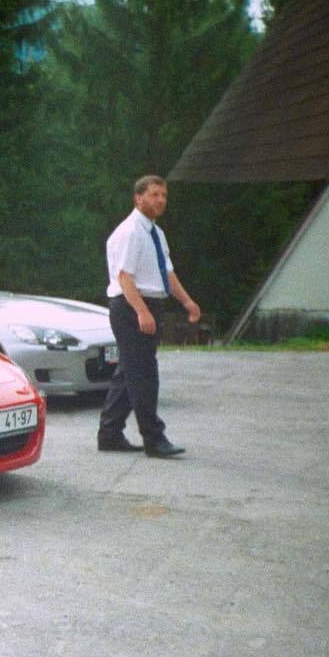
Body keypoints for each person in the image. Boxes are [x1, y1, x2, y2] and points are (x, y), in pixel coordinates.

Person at [97, 175, 200, 458]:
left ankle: (109, 433)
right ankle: (154, 439)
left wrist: (187, 302)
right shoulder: (131, 231)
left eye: (164, 195)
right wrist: (142, 311)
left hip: (147, 304)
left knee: (128, 372)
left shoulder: (156, 233)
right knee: (144, 375)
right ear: (138, 198)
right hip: (131, 306)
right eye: (154, 194)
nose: (161, 200)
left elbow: (167, 273)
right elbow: (125, 277)